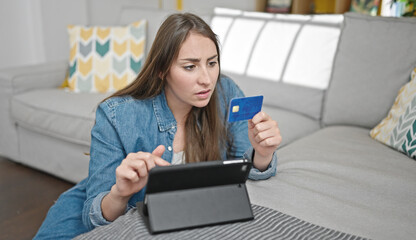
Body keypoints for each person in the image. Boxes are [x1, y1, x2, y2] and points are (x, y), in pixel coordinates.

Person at [34, 12, 282, 239]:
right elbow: (94, 214)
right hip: (88, 213)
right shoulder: (116, 115)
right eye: (190, 66)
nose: (206, 79)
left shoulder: (226, 92)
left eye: (212, 62)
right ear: (162, 70)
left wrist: (263, 152)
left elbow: (246, 166)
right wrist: (121, 193)